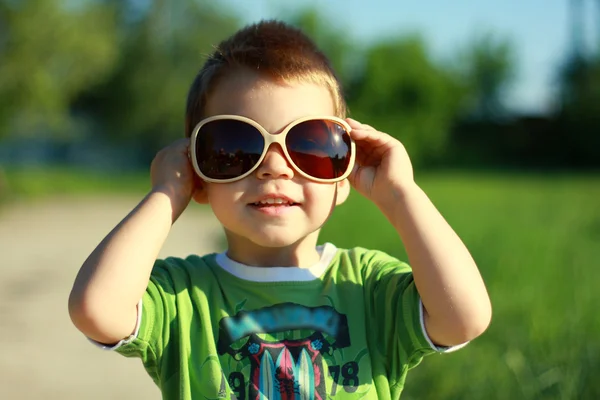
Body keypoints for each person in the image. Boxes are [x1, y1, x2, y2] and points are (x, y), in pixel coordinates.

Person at [68, 20, 492, 400]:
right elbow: (96, 310)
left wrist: (402, 196)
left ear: (344, 175)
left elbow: (464, 319)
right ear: (199, 173)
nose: (275, 166)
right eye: (236, 146)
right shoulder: (182, 296)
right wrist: (166, 194)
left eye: (310, 145)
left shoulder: (369, 287)